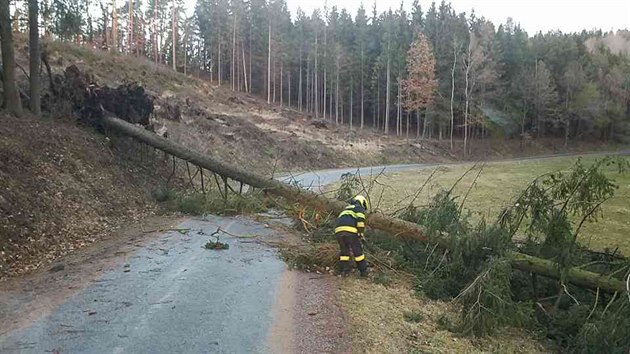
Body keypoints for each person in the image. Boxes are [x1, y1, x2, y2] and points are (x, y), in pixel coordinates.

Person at [334, 195, 369, 277]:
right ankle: (363, 272)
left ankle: (344, 271)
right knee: (358, 252)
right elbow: (360, 221)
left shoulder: (346, 209)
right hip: (350, 230)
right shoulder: (359, 208)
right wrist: (361, 234)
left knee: (344, 252)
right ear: (362, 202)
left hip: (338, 231)